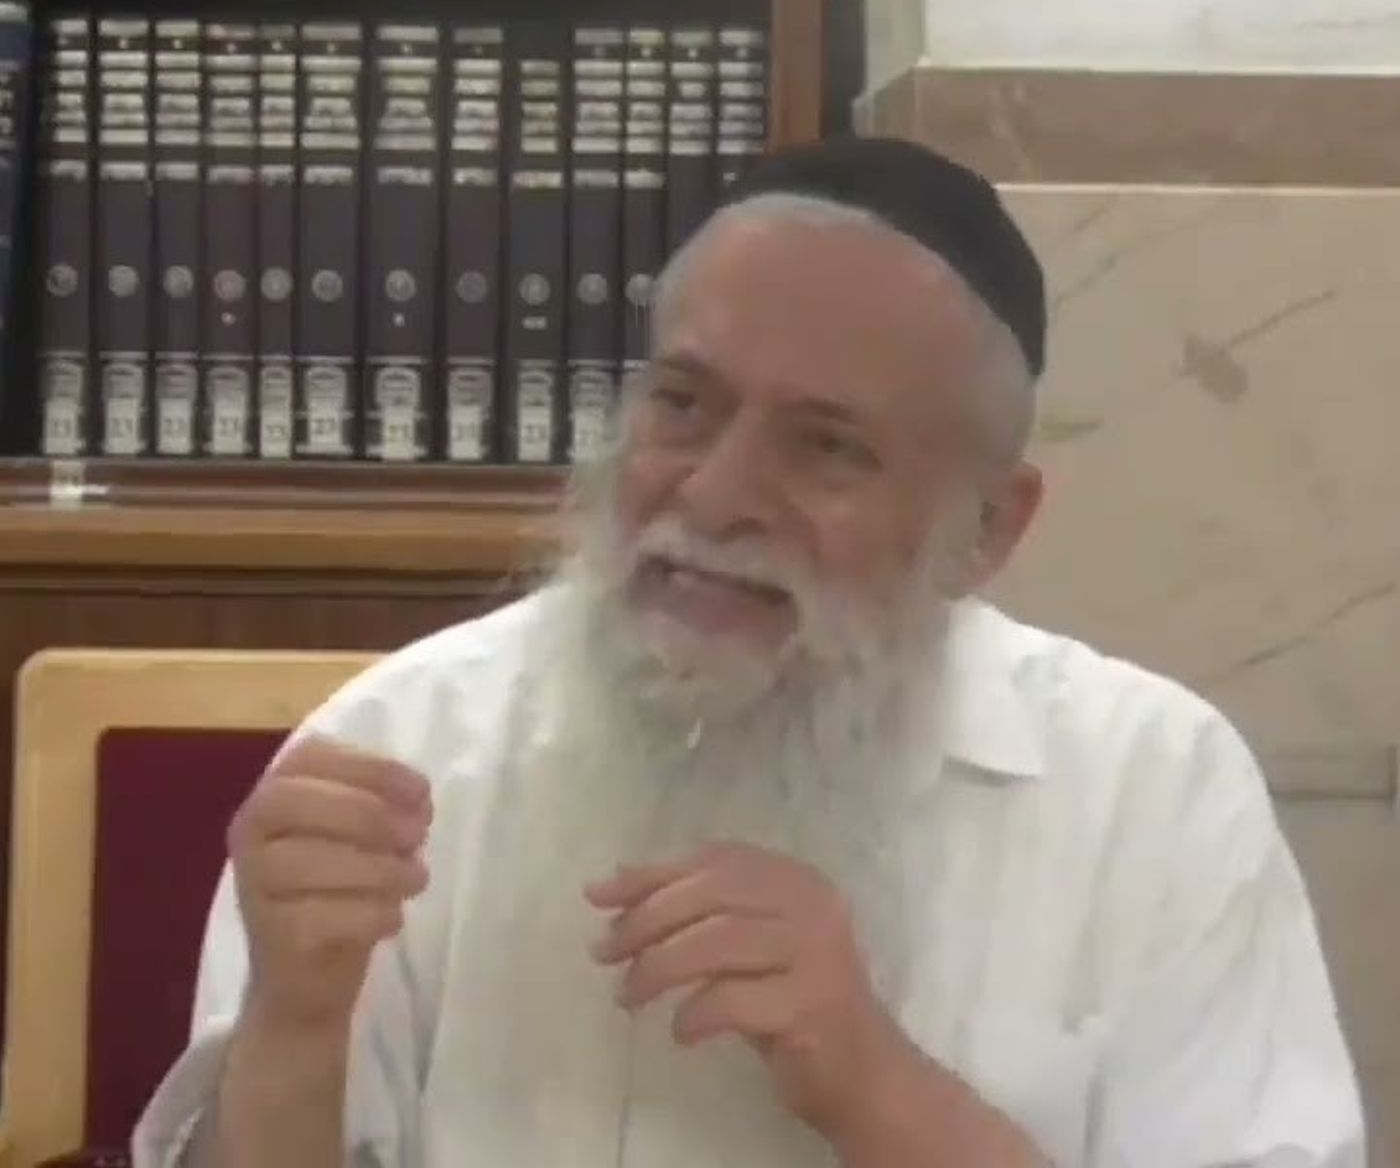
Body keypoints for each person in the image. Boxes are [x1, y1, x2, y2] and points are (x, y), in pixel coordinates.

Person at [134, 137, 1364, 1168]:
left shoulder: (1152, 789)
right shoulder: (402, 744)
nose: (715, 494)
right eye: (683, 403)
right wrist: (294, 1033)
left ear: (987, 527)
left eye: (824, 446)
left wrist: (874, 1083)